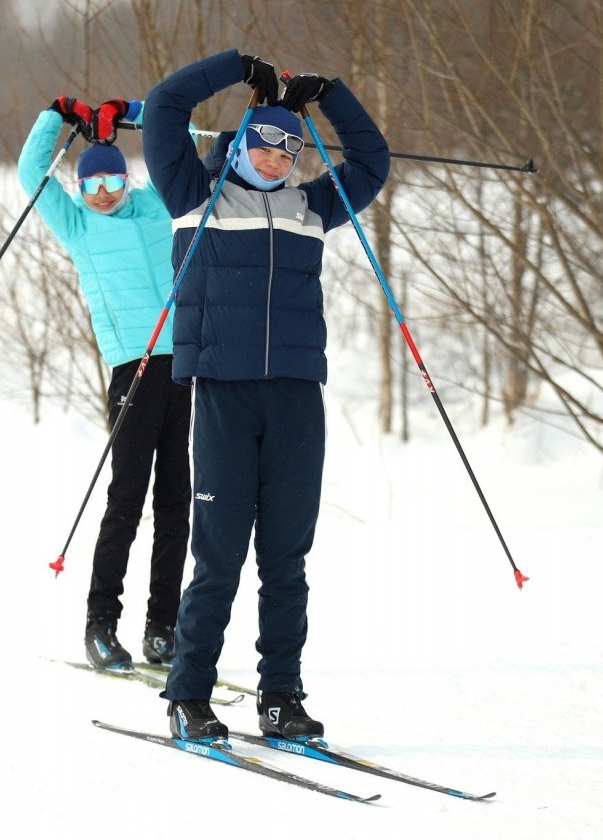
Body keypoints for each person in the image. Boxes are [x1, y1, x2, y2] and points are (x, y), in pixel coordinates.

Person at [142, 51, 390, 741]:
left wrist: (332, 93)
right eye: (267, 142)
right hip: (224, 395)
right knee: (218, 554)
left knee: (286, 556)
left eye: (292, 146)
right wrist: (236, 68)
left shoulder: (313, 206)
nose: (281, 156)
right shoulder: (195, 193)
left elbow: (373, 162)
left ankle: (280, 696)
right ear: (243, 139)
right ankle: (188, 694)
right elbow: (163, 104)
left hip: (294, 398)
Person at [19, 96, 192, 671]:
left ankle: (162, 628)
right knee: (126, 499)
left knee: (175, 502)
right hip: (132, 371)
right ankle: (100, 625)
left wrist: (141, 113)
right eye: (93, 185)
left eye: (113, 179)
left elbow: (184, 138)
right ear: (82, 189)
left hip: (183, 365)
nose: (105, 193)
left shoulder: (154, 205)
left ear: (127, 176)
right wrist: (57, 113)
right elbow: (28, 173)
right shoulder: (77, 225)